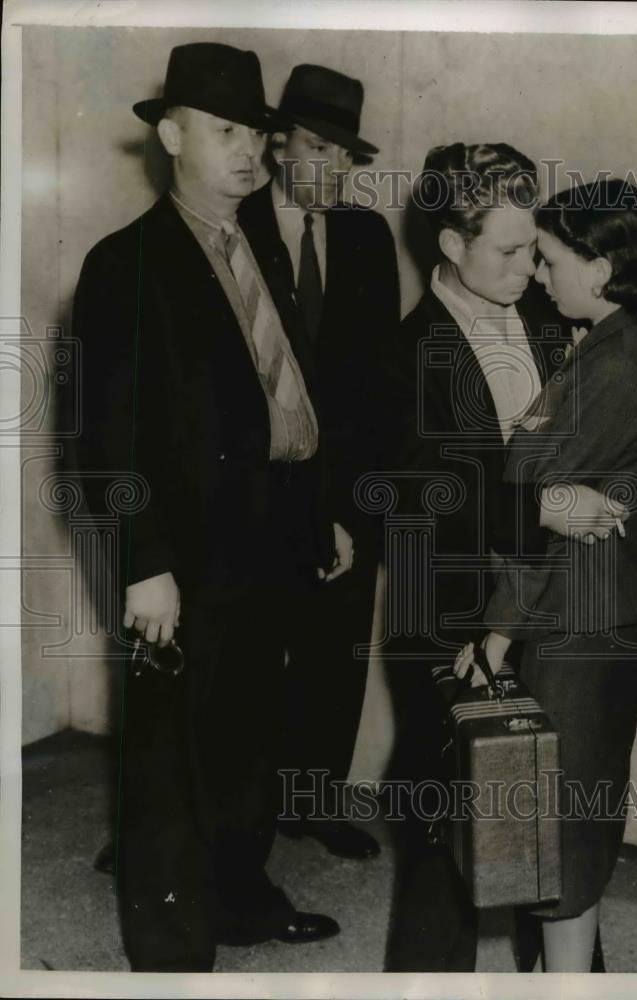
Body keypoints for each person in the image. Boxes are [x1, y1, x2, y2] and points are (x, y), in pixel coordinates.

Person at [383, 143, 637, 972]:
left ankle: (571, 973)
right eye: (508, 250)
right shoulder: (398, 352)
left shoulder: (548, 312)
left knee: (557, 805)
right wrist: (535, 506)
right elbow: (421, 493)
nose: (530, 268)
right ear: (450, 247)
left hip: (556, 602)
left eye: (537, 248)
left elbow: (631, 346)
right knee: (453, 814)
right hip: (457, 599)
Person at [72, 43, 343, 972]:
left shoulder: (260, 243)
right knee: (168, 761)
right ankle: (171, 953)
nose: (249, 152)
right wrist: (143, 564)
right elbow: (101, 442)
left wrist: (322, 514)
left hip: (272, 535)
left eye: (257, 135)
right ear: (174, 132)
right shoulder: (126, 265)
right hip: (183, 556)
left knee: (249, 743)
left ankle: (240, 900)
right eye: (225, 131)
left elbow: (287, 396)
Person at [456, 175, 637, 972]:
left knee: (559, 832)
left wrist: (494, 635)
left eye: (551, 257)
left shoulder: (619, 363)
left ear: (597, 268)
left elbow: (534, 512)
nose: (538, 272)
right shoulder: (617, 343)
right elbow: (542, 497)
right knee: (566, 823)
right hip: (589, 606)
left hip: (577, 615)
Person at [240, 64, 400, 860]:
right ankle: (237, 808)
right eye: (316, 147)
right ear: (275, 146)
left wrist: (351, 505)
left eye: (347, 155)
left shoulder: (368, 239)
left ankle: (316, 798)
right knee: (250, 658)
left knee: (335, 656)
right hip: (257, 493)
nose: (333, 169)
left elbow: (377, 381)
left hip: (343, 489)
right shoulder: (230, 225)